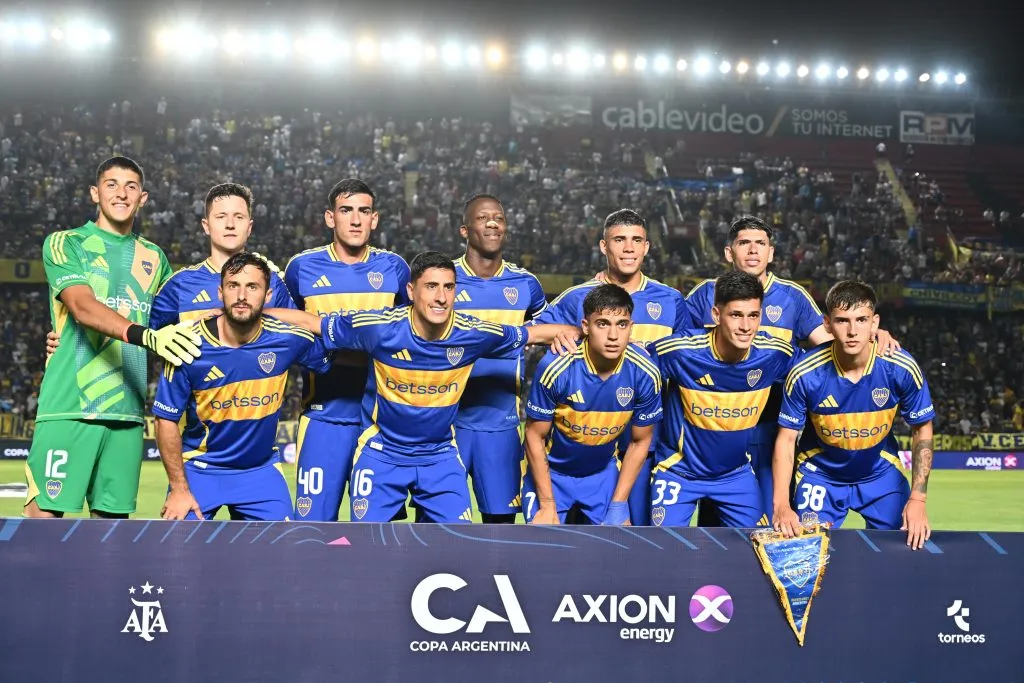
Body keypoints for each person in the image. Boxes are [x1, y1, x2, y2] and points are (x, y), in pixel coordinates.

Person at [267, 251, 577, 523]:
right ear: (412, 291)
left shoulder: (473, 333)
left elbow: (531, 334)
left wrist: (583, 333)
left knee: (459, 548)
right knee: (366, 546)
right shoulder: (380, 328)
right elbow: (314, 323)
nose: (441, 297)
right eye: (431, 286)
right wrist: (248, 314)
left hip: (439, 455)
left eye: (449, 287)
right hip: (382, 453)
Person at [684, 215, 899, 523]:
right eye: (744, 243)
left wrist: (872, 335)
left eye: (761, 244)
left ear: (771, 253)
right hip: (716, 427)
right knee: (718, 520)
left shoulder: (792, 297)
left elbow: (831, 344)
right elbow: (676, 347)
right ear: (729, 253)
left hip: (772, 426)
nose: (753, 251)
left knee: (774, 519)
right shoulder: (704, 294)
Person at [26, 155, 200, 519]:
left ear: (143, 198)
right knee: (41, 526)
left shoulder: (155, 257)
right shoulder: (65, 243)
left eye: (131, 186)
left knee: (110, 537)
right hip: (69, 407)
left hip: (127, 414)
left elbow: (180, 319)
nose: (121, 194)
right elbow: (82, 307)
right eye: (111, 185)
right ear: (95, 193)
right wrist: (147, 336)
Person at [533, 208, 686, 525]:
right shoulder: (577, 297)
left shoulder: (671, 300)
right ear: (604, 246)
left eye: (636, 240)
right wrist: (565, 332)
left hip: (646, 441)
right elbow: (531, 333)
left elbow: (685, 358)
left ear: (647, 247)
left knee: (638, 537)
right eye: (619, 239)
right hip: (584, 440)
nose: (629, 248)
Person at [152, 252, 331, 521]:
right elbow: (165, 419)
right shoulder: (188, 344)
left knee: (284, 556)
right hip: (201, 470)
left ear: (268, 295)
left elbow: (336, 360)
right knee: (178, 556)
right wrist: (178, 489)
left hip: (259, 472)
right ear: (220, 292)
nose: (242, 295)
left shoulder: (289, 338)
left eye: (252, 287)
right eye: (233, 286)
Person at [772, 281, 935, 550]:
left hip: (879, 472)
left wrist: (918, 500)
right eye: (842, 320)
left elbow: (923, 429)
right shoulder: (804, 373)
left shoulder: (900, 367)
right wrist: (781, 505)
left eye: (861, 320)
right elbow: (786, 439)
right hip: (820, 474)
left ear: (875, 323)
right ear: (827, 323)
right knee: (806, 553)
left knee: (903, 548)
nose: (852, 331)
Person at [283, 179, 409, 521]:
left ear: (375, 219)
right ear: (330, 218)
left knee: (382, 529)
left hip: (381, 422)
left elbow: (414, 332)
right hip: (324, 416)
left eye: (363, 211)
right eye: (346, 210)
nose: (355, 219)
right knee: (312, 527)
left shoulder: (395, 269)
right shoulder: (301, 268)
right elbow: (281, 327)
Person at [648, 271, 799, 528]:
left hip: (735, 474)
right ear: (716, 315)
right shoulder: (680, 352)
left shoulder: (774, 354)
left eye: (753, 315)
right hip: (678, 472)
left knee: (759, 551)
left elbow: (821, 368)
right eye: (736, 315)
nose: (746, 326)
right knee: (665, 550)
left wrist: (876, 339)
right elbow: (632, 367)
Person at [523, 284, 662, 525]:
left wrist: (619, 503)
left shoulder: (645, 372)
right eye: (603, 324)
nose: (613, 336)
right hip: (553, 477)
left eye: (622, 324)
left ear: (631, 327)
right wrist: (546, 504)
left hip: (602, 477)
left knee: (617, 556)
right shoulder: (557, 368)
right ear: (586, 326)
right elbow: (535, 437)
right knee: (541, 549)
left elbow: (640, 441)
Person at [452, 194, 547, 523]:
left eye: (499, 218)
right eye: (482, 218)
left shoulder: (526, 285)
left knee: (501, 530)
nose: (493, 223)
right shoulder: (444, 280)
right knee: (437, 527)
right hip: (447, 427)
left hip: (502, 426)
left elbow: (547, 331)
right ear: (465, 231)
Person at [149, 183, 295, 329]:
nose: (230, 224)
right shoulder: (180, 284)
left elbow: (299, 338)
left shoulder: (272, 282)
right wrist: (191, 329)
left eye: (239, 217)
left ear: (249, 227)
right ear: (206, 226)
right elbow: (146, 339)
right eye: (221, 217)